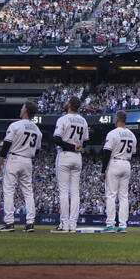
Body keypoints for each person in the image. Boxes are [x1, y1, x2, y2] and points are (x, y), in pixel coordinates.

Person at [0, 101, 41, 233]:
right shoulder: (37, 130)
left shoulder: (15, 125)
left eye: (22, 107)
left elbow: (5, 146)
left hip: (15, 158)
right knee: (28, 192)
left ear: (26, 110)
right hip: (28, 160)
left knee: (9, 190)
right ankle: (30, 223)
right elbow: (37, 151)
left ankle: (9, 223)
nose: (21, 109)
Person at [51, 96, 88, 233]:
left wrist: (71, 147)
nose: (65, 103)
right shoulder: (83, 120)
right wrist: (77, 147)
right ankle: (73, 225)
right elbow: (86, 141)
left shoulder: (63, 119)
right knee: (75, 191)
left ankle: (64, 225)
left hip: (65, 155)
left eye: (67, 101)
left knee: (64, 191)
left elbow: (56, 139)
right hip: (77, 157)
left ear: (70, 104)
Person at [101, 110, 136, 234]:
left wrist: (102, 170)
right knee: (123, 196)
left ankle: (110, 225)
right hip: (126, 163)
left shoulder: (112, 133)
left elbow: (107, 152)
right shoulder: (132, 134)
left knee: (111, 195)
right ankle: (123, 225)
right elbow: (134, 152)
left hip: (115, 162)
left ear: (117, 119)